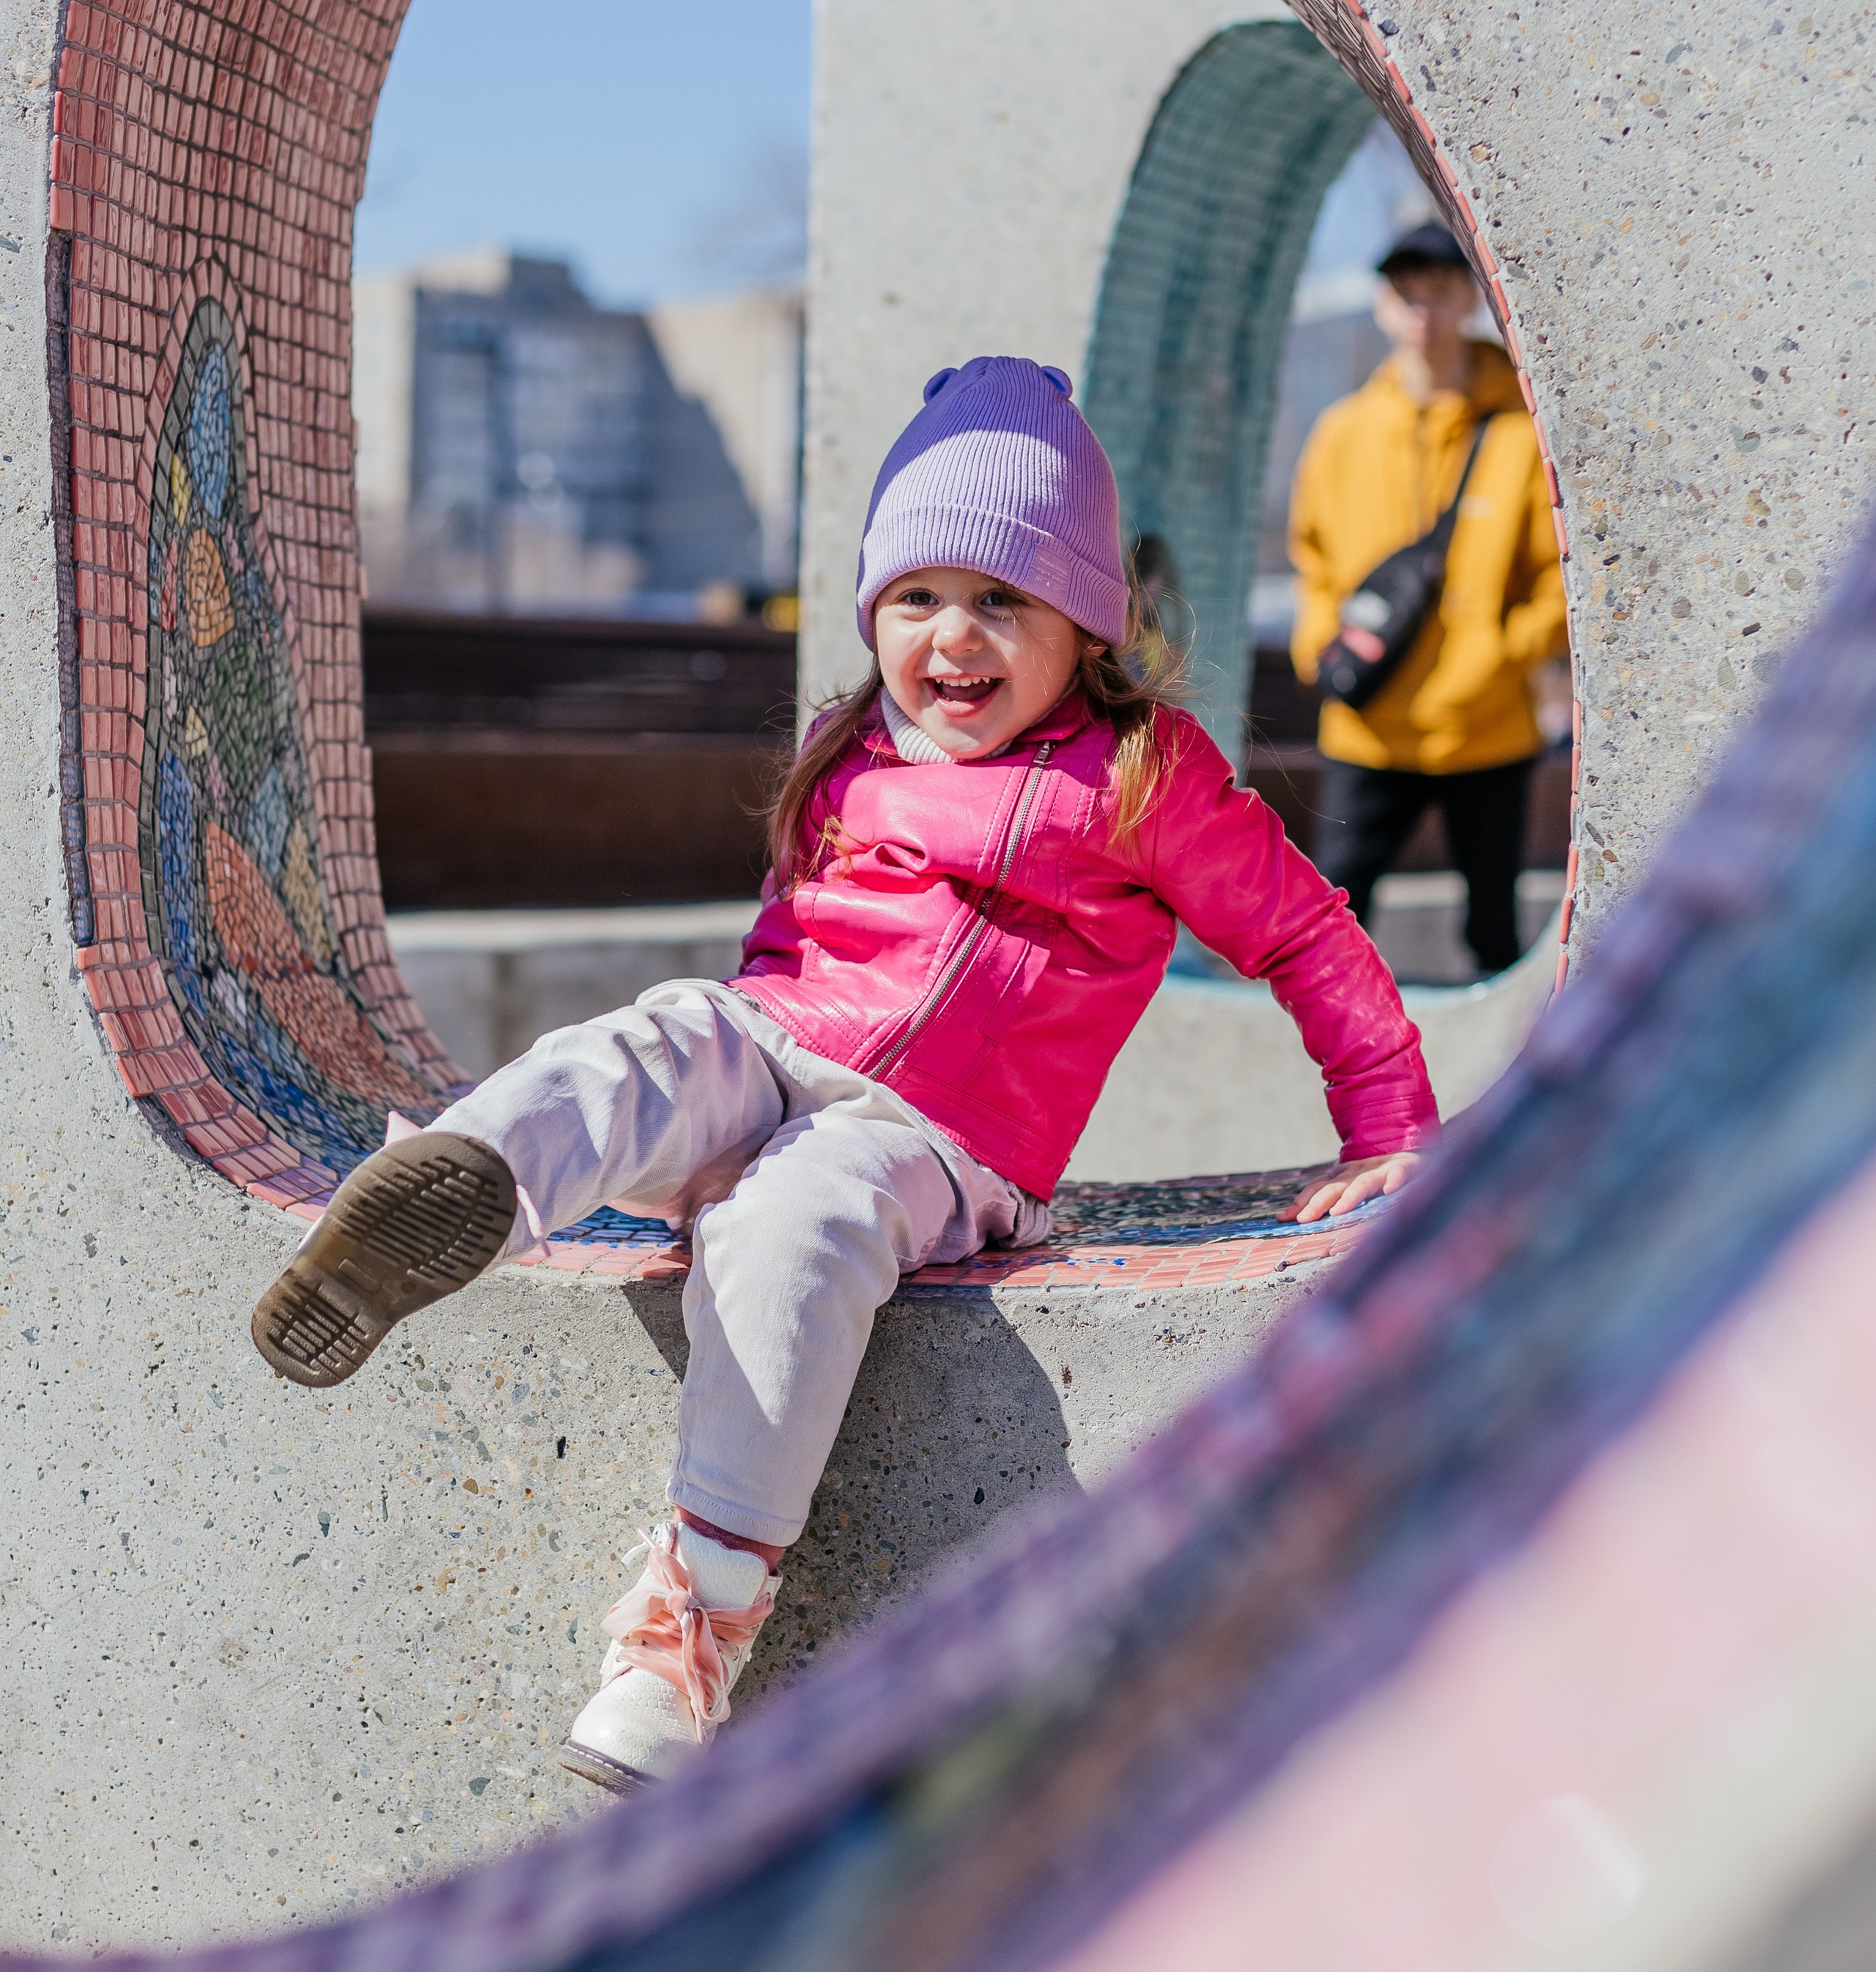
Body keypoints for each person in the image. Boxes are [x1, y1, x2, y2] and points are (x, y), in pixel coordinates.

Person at [251, 358, 1439, 1793]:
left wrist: (1386, 1125)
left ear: (1085, 627)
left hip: (941, 1141)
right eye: (915, 599)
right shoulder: (850, 750)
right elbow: (787, 929)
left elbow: (1304, 932)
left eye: (1002, 599)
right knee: (651, 1043)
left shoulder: (1138, 774)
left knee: (795, 1220)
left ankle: (679, 1640)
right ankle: (462, 1188)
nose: (952, 637)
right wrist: (733, 1072)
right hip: (781, 1031)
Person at [1288, 221, 1568, 975]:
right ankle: (1331, 1080)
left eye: (1440, 290)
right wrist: (1318, 642)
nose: (1422, 311)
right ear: (1382, 304)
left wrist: (1504, 655)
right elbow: (1312, 560)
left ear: (1468, 301)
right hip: (1368, 726)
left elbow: (1557, 575)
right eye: (1405, 292)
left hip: (1486, 726)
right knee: (1328, 932)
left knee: (1492, 934)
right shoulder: (1343, 431)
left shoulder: (1520, 429)